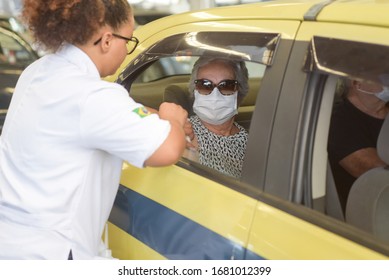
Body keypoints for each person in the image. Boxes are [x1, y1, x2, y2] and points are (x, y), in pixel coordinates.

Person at [0, 0, 187, 260]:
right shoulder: (92, 96)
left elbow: (100, 115)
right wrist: (173, 119)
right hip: (52, 253)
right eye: (129, 41)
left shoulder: (38, 71)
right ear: (107, 40)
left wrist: (151, 115)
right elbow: (168, 149)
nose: (127, 50)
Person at [328, 78, 389, 213]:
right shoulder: (339, 120)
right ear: (357, 83)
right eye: (383, 76)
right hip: (372, 212)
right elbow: (375, 172)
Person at [185, 57, 249, 179]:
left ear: (239, 93)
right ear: (195, 90)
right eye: (205, 85)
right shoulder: (184, 132)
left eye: (226, 85)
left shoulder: (250, 142)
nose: (215, 95)